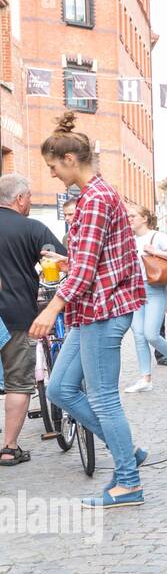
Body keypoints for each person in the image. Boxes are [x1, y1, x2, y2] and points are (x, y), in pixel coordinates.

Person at [30, 113, 147, 508]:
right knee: (61, 389)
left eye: (52, 167)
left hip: (103, 310)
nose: (51, 176)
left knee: (102, 399)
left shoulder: (96, 199)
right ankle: (127, 449)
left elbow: (87, 270)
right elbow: (92, 262)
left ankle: (128, 481)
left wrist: (52, 309)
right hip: (91, 309)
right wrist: (66, 263)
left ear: (68, 159)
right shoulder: (95, 197)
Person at [0, 174, 66, 465]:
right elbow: (62, 261)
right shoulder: (31, 228)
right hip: (17, 315)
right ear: (21, 199)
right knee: (17, 382)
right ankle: (8, 448)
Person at [123, 203, 167, 393]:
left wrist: (156, 252)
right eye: (128, 216)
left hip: (155, 289)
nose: (129, 219)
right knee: (138, 335)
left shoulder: (157, 236)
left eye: (133, 216)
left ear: (144, 218)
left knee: (151, 334)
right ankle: (145, 378)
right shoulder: (128, 239)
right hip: (134, 290)